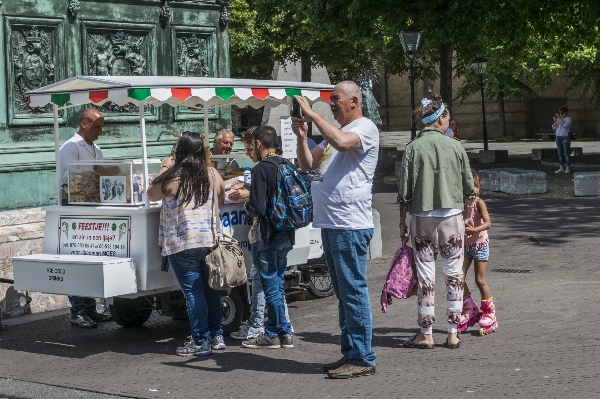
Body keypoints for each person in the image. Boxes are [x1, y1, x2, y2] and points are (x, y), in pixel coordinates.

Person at [291, 81, 379, 379]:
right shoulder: (331, 136)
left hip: (349, 224)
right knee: (343, 294)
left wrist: (313, 116)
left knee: (353, 292)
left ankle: (362, 356)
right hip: (331, 223)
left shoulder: (364, 127)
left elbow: (343, 142)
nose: (331, 104)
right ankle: (351, 353)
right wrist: (302, 137)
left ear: (354, 101)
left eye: (336, 100)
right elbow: (306, 165)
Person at [398, 95, 476, 350]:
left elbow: (405, 191)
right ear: (441, 118)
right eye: (447, 117)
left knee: (425, 278)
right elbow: (468, 185)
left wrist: (402, 223)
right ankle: (453, 332)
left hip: (421, 219)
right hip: (451, 218)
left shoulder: (412, 148)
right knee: (454, 276)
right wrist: (467, 211)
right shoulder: (455, 146)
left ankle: (426, 332)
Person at [147, 131, 226, 357]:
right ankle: (216, 336)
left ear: (179, 152)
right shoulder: (211, 173)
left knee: (193, 292)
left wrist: (164, 166)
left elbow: (151, 194)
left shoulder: (175, 177)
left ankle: (200, 341)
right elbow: (220, 199)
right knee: (209, 289)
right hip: (208, 240)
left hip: (183, 243)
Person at [228, 126, 294, 341]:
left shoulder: (260, 169)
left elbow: (258, 207)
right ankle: (277, 331)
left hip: (267, 236)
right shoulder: (285, 164)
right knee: (278, 284)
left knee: (269, 285)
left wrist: (247, 204)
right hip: (286, 233)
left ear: (258, 143)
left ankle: (281, 332)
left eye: (249, 149)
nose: (248, 154)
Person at [59, 108, 113, 328]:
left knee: (91, 260)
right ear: (84, 124)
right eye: (96, 126)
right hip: (76, 212)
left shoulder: (96, 150)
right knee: (78, 260)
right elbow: (67, 179)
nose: (100, 131)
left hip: (94, 210)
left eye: (101, 127)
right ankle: (78, 310)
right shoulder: (70, 148)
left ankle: (90, 308)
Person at [459, 169, 497, 336]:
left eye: (476, 186)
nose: (473, 190)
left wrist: (474, 229)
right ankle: (469, 307)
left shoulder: (479, 202)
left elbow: (488, 223)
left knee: (479, 279)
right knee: (458, 278)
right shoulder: (460, 204)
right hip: (466, 246)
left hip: (480, 245)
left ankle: (489, 312)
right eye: (469, 187)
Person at [552, 107, 572, 173]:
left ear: (565, 113)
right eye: (559, 113)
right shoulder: (558, 119)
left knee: (567, 153)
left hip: (565, 137)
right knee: (560, 153)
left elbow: (565, 125)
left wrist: (560, 119)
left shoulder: (568, 119)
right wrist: (555, 121)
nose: (560, 114)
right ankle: (561, 168)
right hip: (558, 137)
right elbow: (554, 127)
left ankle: (568, 168)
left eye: (562, 113)